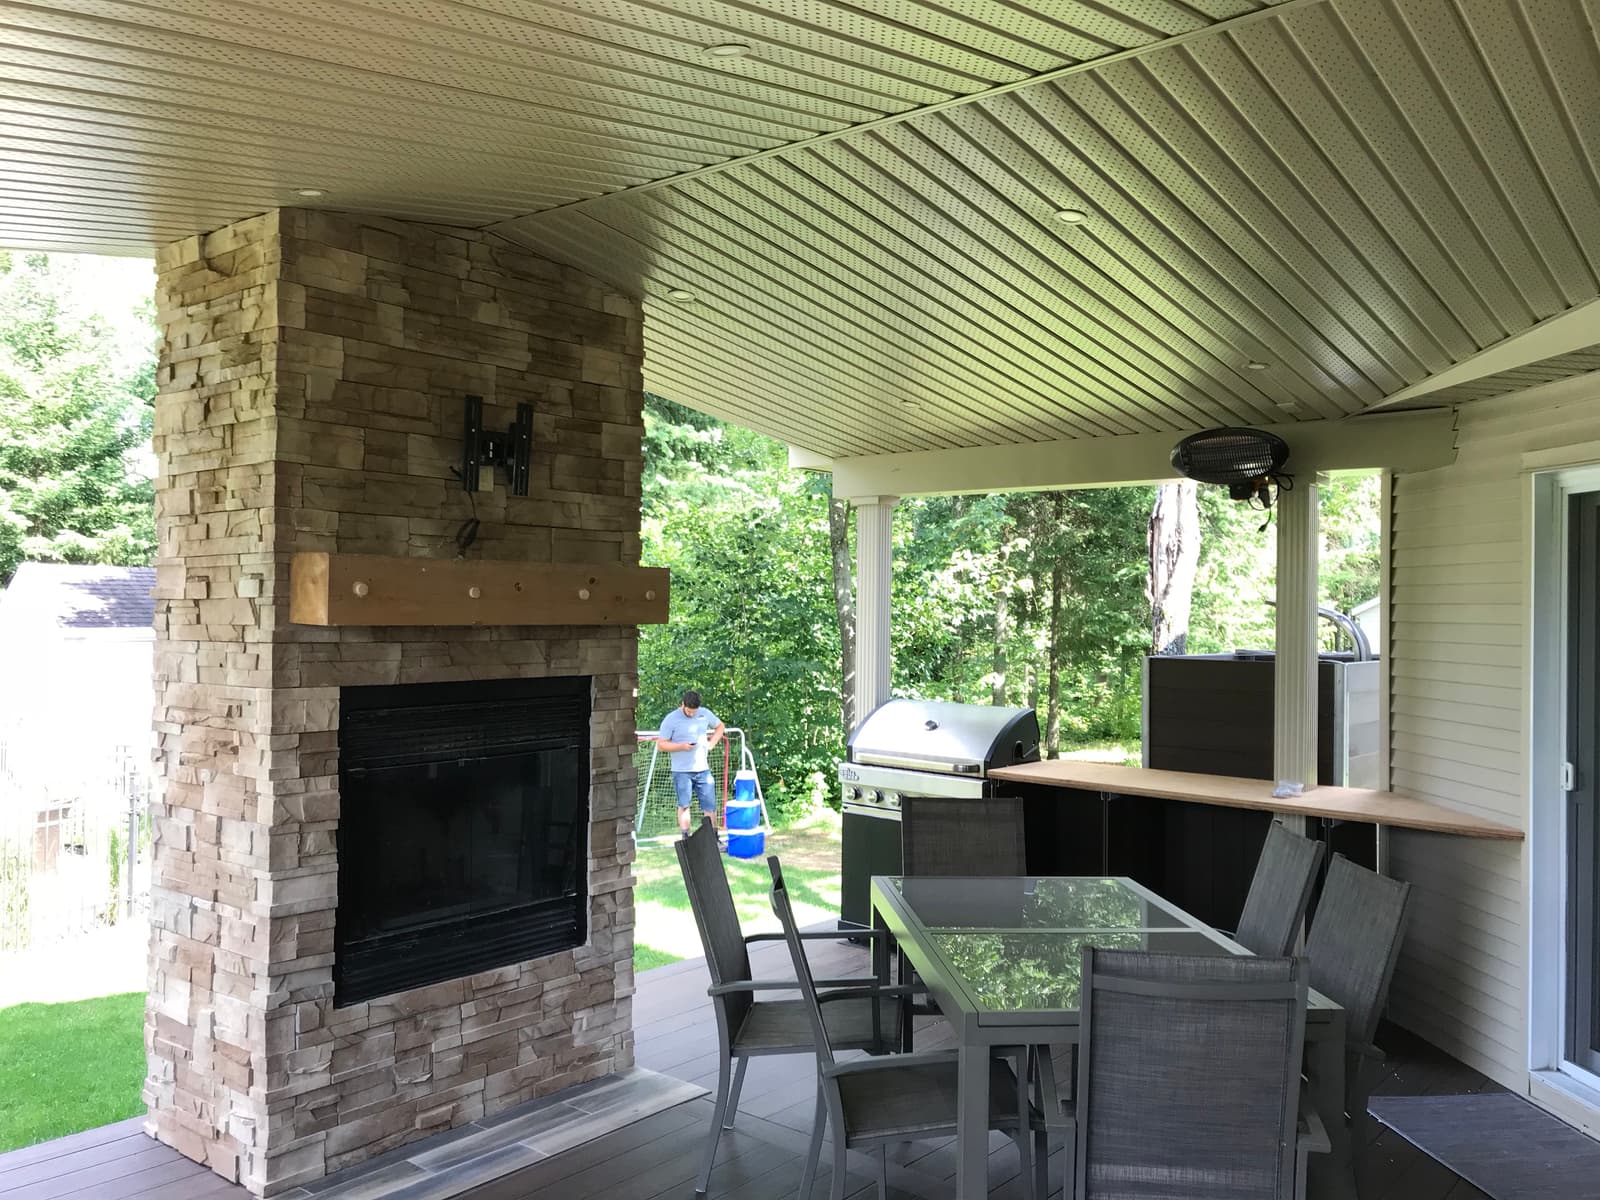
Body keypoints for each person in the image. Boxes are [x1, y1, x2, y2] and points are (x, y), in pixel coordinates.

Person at [657, 690, 726, 835]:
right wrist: (681, 746)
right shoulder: (671, 719)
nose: (691, 714)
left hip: (703, 769)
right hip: (681, 771)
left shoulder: (704, 713)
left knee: (710, 806)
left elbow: (720, 726)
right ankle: (686, 838)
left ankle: (713, 837)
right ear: (682, 704)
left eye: (694, 712)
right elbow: (661, 745)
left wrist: (711, 744)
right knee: (684, 805)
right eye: (689, 711)